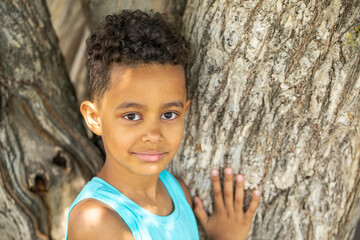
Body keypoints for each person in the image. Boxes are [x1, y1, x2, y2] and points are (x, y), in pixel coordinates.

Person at [66, 9, 261, 240]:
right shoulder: (96, 222)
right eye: (132, 116)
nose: (153, 134)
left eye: (169, 114)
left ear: (185, 111)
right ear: (94, 118)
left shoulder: (177, 192)